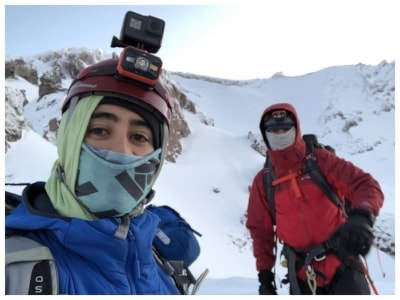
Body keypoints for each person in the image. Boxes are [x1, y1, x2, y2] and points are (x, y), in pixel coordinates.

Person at [5, 58, 179, 294]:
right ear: (70, 141)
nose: (121, 151)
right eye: (99, 130)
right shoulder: (17, 269)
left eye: (139, 137)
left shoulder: (150, 254)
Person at [246, 102, 384, 295]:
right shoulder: (264, 181)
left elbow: (364, 184)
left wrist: (362, 216)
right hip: (301, 274)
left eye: (285, 129)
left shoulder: (320, 161)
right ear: (265, 134)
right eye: (273, 130)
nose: (280, 135)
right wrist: (265, 275)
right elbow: (260, 231)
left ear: (296, 129)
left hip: (342, 264)